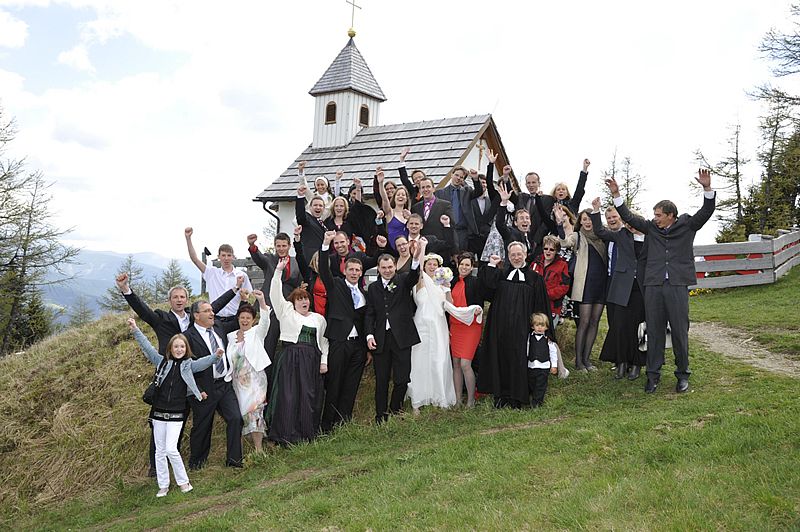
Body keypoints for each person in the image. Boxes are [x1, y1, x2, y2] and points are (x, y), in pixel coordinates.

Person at [116, 272, 238, 477]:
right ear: (170, 300)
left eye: (182, 297)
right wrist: (126, 289)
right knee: (165, 422)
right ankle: (157, 466)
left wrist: (234, 290)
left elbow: (213, 307)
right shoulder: (161, 318)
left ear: (187, 300)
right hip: (170, 380)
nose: (179, 300)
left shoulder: (194, 317)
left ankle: (184, 461)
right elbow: (143, 310)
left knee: (191, 421)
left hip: (193, 377)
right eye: (175, 297)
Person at [606, 169, 716, 394]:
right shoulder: (651, 228)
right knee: (654, 332)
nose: (654, 218)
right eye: (654, 215)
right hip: (653, 286)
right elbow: (629, 217)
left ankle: (682, 375)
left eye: (658, 215)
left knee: (679, 332)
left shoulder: (687, 225)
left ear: (670, 215)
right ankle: (652, 376)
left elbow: (706, 211)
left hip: (677, 286)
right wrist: (616, 194)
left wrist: (707, 189)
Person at [128, 318, 221, 497]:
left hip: (177, 414)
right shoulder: (162, 362)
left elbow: (204, 362)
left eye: (182, 347)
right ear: (170, 348)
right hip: (158, 413)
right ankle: (163, 485)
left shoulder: (188, 365)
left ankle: (184, 482)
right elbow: (147, 347)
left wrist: (216, 356)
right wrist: (135, 330)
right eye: (176, 346)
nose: (179, 349)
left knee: (171, 449)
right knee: (159, 451)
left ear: (186, 349)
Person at [477, 242, 552, 408]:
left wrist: (542, 330)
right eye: (512, 255)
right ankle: (500, 395)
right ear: (508, 257)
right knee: (501, 359)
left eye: (519, 254)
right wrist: (491, 265)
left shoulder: (535, 279)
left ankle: (517, 397)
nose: (516, 258)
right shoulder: (501, 275)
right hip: (500, 327)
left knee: (519, 360)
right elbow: (487, 290)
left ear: (525, 255)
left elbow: (541, 306)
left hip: (522, 329)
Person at [408, 248, 482, 413]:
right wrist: (421, 249)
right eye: (429, 264)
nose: (432, 267)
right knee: (419, 362)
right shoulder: (419, 281)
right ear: (424, 266)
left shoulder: (443, 285)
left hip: (439, 325)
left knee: (439, 360)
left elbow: (451, 306)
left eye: (435, 265)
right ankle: (418, 400)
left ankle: (439, 397)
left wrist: (448, 290)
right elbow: (417, 269)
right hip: (421, 325)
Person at [267, 258, 329, 444]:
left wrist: (324, 361)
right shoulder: (286, 312)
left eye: (306, 299)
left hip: (311, 361)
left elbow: (324, 341)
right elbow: (274, 293)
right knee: (289, 396)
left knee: (309, 397)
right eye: (299, 299)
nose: (304, 302)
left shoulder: (318, 319)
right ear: (293, 302)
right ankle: (286, 435)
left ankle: (307, 434)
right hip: (291, 359)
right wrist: (278, 271)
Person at [365, 240, 423, 423]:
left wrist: (415, 259)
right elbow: (370, 313)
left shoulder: (403, 280)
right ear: (378, 268)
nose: (387, 270)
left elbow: (414, 277)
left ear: (395, 266)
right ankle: (380, 415)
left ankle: (395, 408)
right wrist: (369, 335)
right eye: (384, 268)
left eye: (390, 267)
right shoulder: (373, 288)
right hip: (381, 339)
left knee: (402, 378)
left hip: (402, 337)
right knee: (382, 380)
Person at [318, 232, 370, 432]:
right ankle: (327, 425)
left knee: (351, 385)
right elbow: (324, 269)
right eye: (351, 270)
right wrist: (325, 245)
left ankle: (343, 422)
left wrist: (367, 349)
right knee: (334, 383)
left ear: (361, 272)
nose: (354, 273)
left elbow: (365, 321)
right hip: (339, 342)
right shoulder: (336, 285)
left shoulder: (364, 294)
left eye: (358, 270)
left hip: (358, 346)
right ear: (345, 270)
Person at [590, 200, 647, 380]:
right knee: (620, 325)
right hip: (622, 287)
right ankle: (621, 362)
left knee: (639, 327)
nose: (630, 225)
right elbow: (600, 231)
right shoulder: (622, 235)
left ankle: (637, 364)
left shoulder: (651, 237)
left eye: (633, 223)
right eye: (628, 223)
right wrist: (596, 211)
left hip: (642, 289)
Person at [183, 299, 243, 469]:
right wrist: (197, 390)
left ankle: (234, 461)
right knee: (202, 426)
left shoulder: (218, 327)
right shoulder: (188, 337)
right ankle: (197, 463)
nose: (212, 313)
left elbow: (237, 321)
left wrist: (245, 301)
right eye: (207, 311)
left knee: (235, 418)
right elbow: (186, 368)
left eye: (211, 310)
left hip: (224, 385)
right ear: (196, 315)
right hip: (204, 388)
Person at [556, 205, 607, 372]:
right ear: (580, 221)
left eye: (590, 219)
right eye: (584, 219)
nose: (588, 222)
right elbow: (564, 242)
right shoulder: (577, 236)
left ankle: (587, 359)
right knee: (584, 322)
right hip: (585, 284)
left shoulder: (603, 236)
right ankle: (579, 362)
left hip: (601, 284)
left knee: (594, 322)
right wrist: (559, 223)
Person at [225, 290, 271, 453]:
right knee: (241, 413)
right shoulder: (230, 336)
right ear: (238, 319)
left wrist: (262, 301)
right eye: (242, 318)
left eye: (248, 318)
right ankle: (240, 450)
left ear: (253, 320)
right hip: (238, 381)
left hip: (255, 380)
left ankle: (259, 449)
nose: (245, 321)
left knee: (255, 411)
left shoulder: (257, 333)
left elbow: (265, 320)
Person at [185, 227, 253, 323]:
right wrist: (188, 238)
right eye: (223, 255)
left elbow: (248, 294)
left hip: (234, 318)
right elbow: (194, 259)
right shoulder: (212, 273)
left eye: (229, 255)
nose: (226, 258)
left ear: (233, 257)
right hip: (215, 318)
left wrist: (245, 296)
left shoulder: (241, 275)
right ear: (219, 257)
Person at [449, 252, 485, 407]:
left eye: (467, 265)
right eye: (462, 264)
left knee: (465, 363)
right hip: (455, 326)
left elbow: (480, 303)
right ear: (458, 265)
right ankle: (458, 399)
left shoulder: (476, 282)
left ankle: (471, 400)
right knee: (456, 363)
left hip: (471, 326)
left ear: (471, 267)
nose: (464, 267)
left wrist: (477, 310)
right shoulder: (451, 282)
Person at [496, 181, 550, 263]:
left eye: (527, 218)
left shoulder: (530, 237)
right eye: (521, 218)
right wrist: (503, 203)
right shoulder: (510, 233)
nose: (525, 220)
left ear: (530, 222)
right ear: (515, 223)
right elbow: (500, 224)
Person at [434, 165, 483, 250]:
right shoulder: (440, 193)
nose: (458, 178)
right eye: (456, 175)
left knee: (461, 254)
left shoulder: (467, 191)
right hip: (446, 230)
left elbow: (479, 192)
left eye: (461, 177)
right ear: (451, 174)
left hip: (462, 231)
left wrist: (475, 178)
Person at [531, 235, 571, 327]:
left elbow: (564, 286)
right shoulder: (536, 262)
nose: (548, 251)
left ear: (556, 251)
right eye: (546, 248)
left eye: (552, 249)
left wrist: (546, 294)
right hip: (534, 305)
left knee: (548, 332)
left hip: (552, 307)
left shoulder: (562, 265)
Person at [526, 313, 559, 407]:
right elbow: (527, 349)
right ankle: (531, 397)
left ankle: (537, 403)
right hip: (531, 365)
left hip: (544, 367)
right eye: (537, 325)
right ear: (532, 326)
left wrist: (554, 366)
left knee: (540, 385)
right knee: (531, 383)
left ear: (546, 327)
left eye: (542, 325)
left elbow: (553, 353)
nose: (540, 327)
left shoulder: (548, 340)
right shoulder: (529, 338)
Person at [411, 176, 454, 244]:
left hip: (440, 245)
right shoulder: (415, 208)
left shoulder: (445, 205)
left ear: (433, 189)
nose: (425, 189)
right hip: (422, 246)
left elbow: (451, 228)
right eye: (423, 187)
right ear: (420, 191)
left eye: (428, 187)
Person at [376, 167, 410, 250]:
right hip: (393, 248)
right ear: (394, 198)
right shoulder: (390, 212)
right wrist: (381, 183)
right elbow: (384, 198)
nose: (400, 196)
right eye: (398, 195)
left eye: (403, 195)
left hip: (406, 249)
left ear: (406, 199)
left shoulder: (409, 214)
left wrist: (409, 218)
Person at [295, 182, 328, 265]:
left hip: (322, 260)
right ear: (310, 207)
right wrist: (300, 197)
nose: (318, 207)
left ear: (324, 208)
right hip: (309, 260)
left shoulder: (324, 223)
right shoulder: (307, 219)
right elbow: (300, 216)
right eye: (315, 205)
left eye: (320, 206)